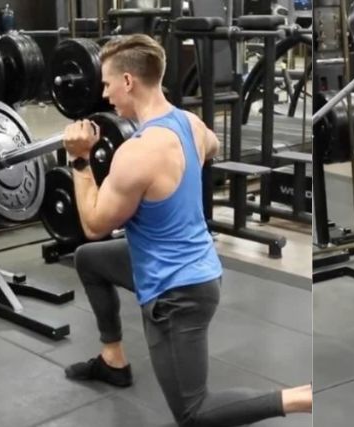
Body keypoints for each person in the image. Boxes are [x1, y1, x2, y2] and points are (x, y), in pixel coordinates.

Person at [60, 34, 312, 425]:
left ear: (129, 81)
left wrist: (78, 161)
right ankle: (113, 359)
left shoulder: (137, 153)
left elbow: (93, 223)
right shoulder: (188, 123)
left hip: (178, 292)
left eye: (108, 84)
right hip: (189, 262)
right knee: (89, 261)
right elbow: (211, 146)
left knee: (193, 413)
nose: (105, 95)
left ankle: (302, 397)